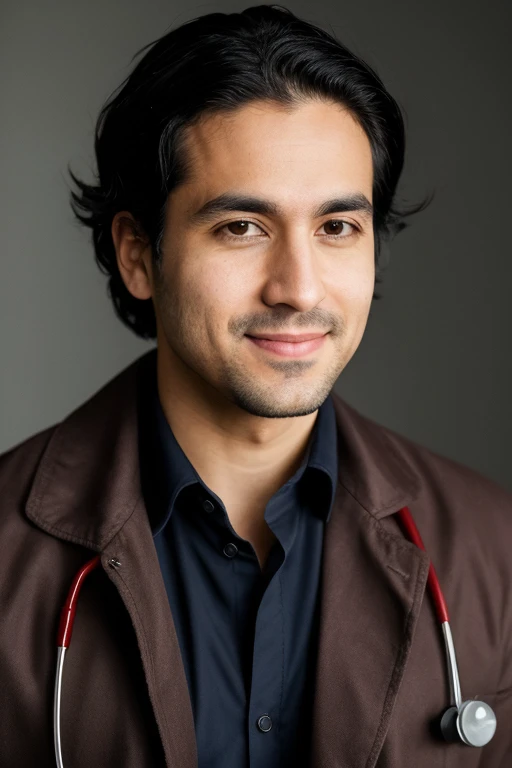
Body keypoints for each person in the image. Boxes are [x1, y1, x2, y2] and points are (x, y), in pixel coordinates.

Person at [1, 4, 511, 767]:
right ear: (139, 254)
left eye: (337, 227)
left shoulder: (492, 550)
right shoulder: (6, 554)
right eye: (242, 227)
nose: (298, 288)